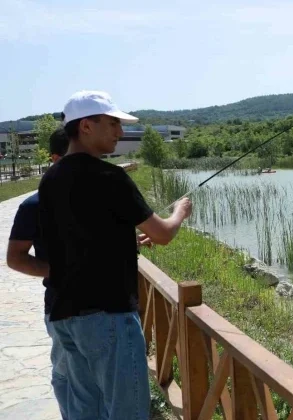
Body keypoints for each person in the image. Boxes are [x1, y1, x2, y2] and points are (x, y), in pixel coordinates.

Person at [37, 90, 193, 420]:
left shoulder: (50, 179)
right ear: (86, 127)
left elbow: (78, 238)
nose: (119, 133)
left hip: (65, 315)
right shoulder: (110, 177)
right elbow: (163, 234)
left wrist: (125, 241)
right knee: (127, 408)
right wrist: (179, 212)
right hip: (108, 314)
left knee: (85, 408)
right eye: (112, 124)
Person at [6, 127, 70, 419]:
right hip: (61, 307)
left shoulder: (100, 199)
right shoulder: (33, 205)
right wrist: (59, 271)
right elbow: (16, 258)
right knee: (66, 373)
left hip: (110, 308)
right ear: (55, 159)